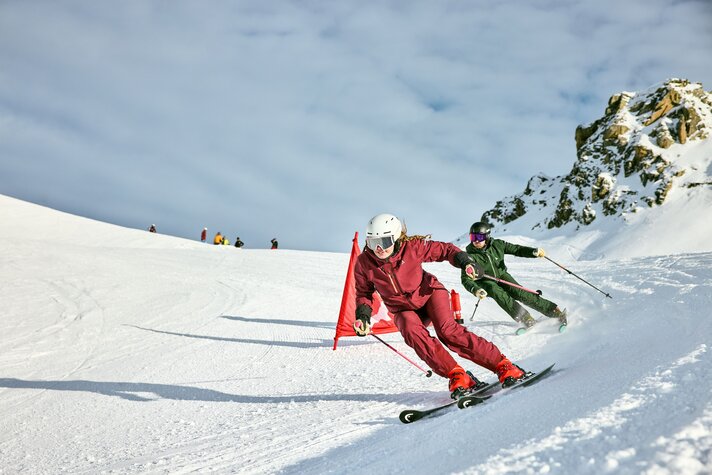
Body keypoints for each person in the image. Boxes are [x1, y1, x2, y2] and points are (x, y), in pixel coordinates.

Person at [353, 213, 527, 398]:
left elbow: (446, 250)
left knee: (448, 331)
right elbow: (363, 293)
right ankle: (458, 375)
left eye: (385, 242)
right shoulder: (364, 263)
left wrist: (466, 262)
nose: (379, 249)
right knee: (411, 331)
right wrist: (363, 316)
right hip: (402, 309)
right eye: (373, 243)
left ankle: (503, 365)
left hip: (429, 294)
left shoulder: (412, 248)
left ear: (396, 238)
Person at [461, 222, 567, 329]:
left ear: (487, 236)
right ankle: (525, 318)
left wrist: (533, 252)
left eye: (479, 237)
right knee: (497, 292)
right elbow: (465, 279)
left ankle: (553, 311)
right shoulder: (469, 256)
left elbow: (517, 249)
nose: (476, 241)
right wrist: (475, 289)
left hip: (501, 275)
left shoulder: (498, 244)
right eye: (473, 237)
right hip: (485, 281)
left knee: (520, 293)